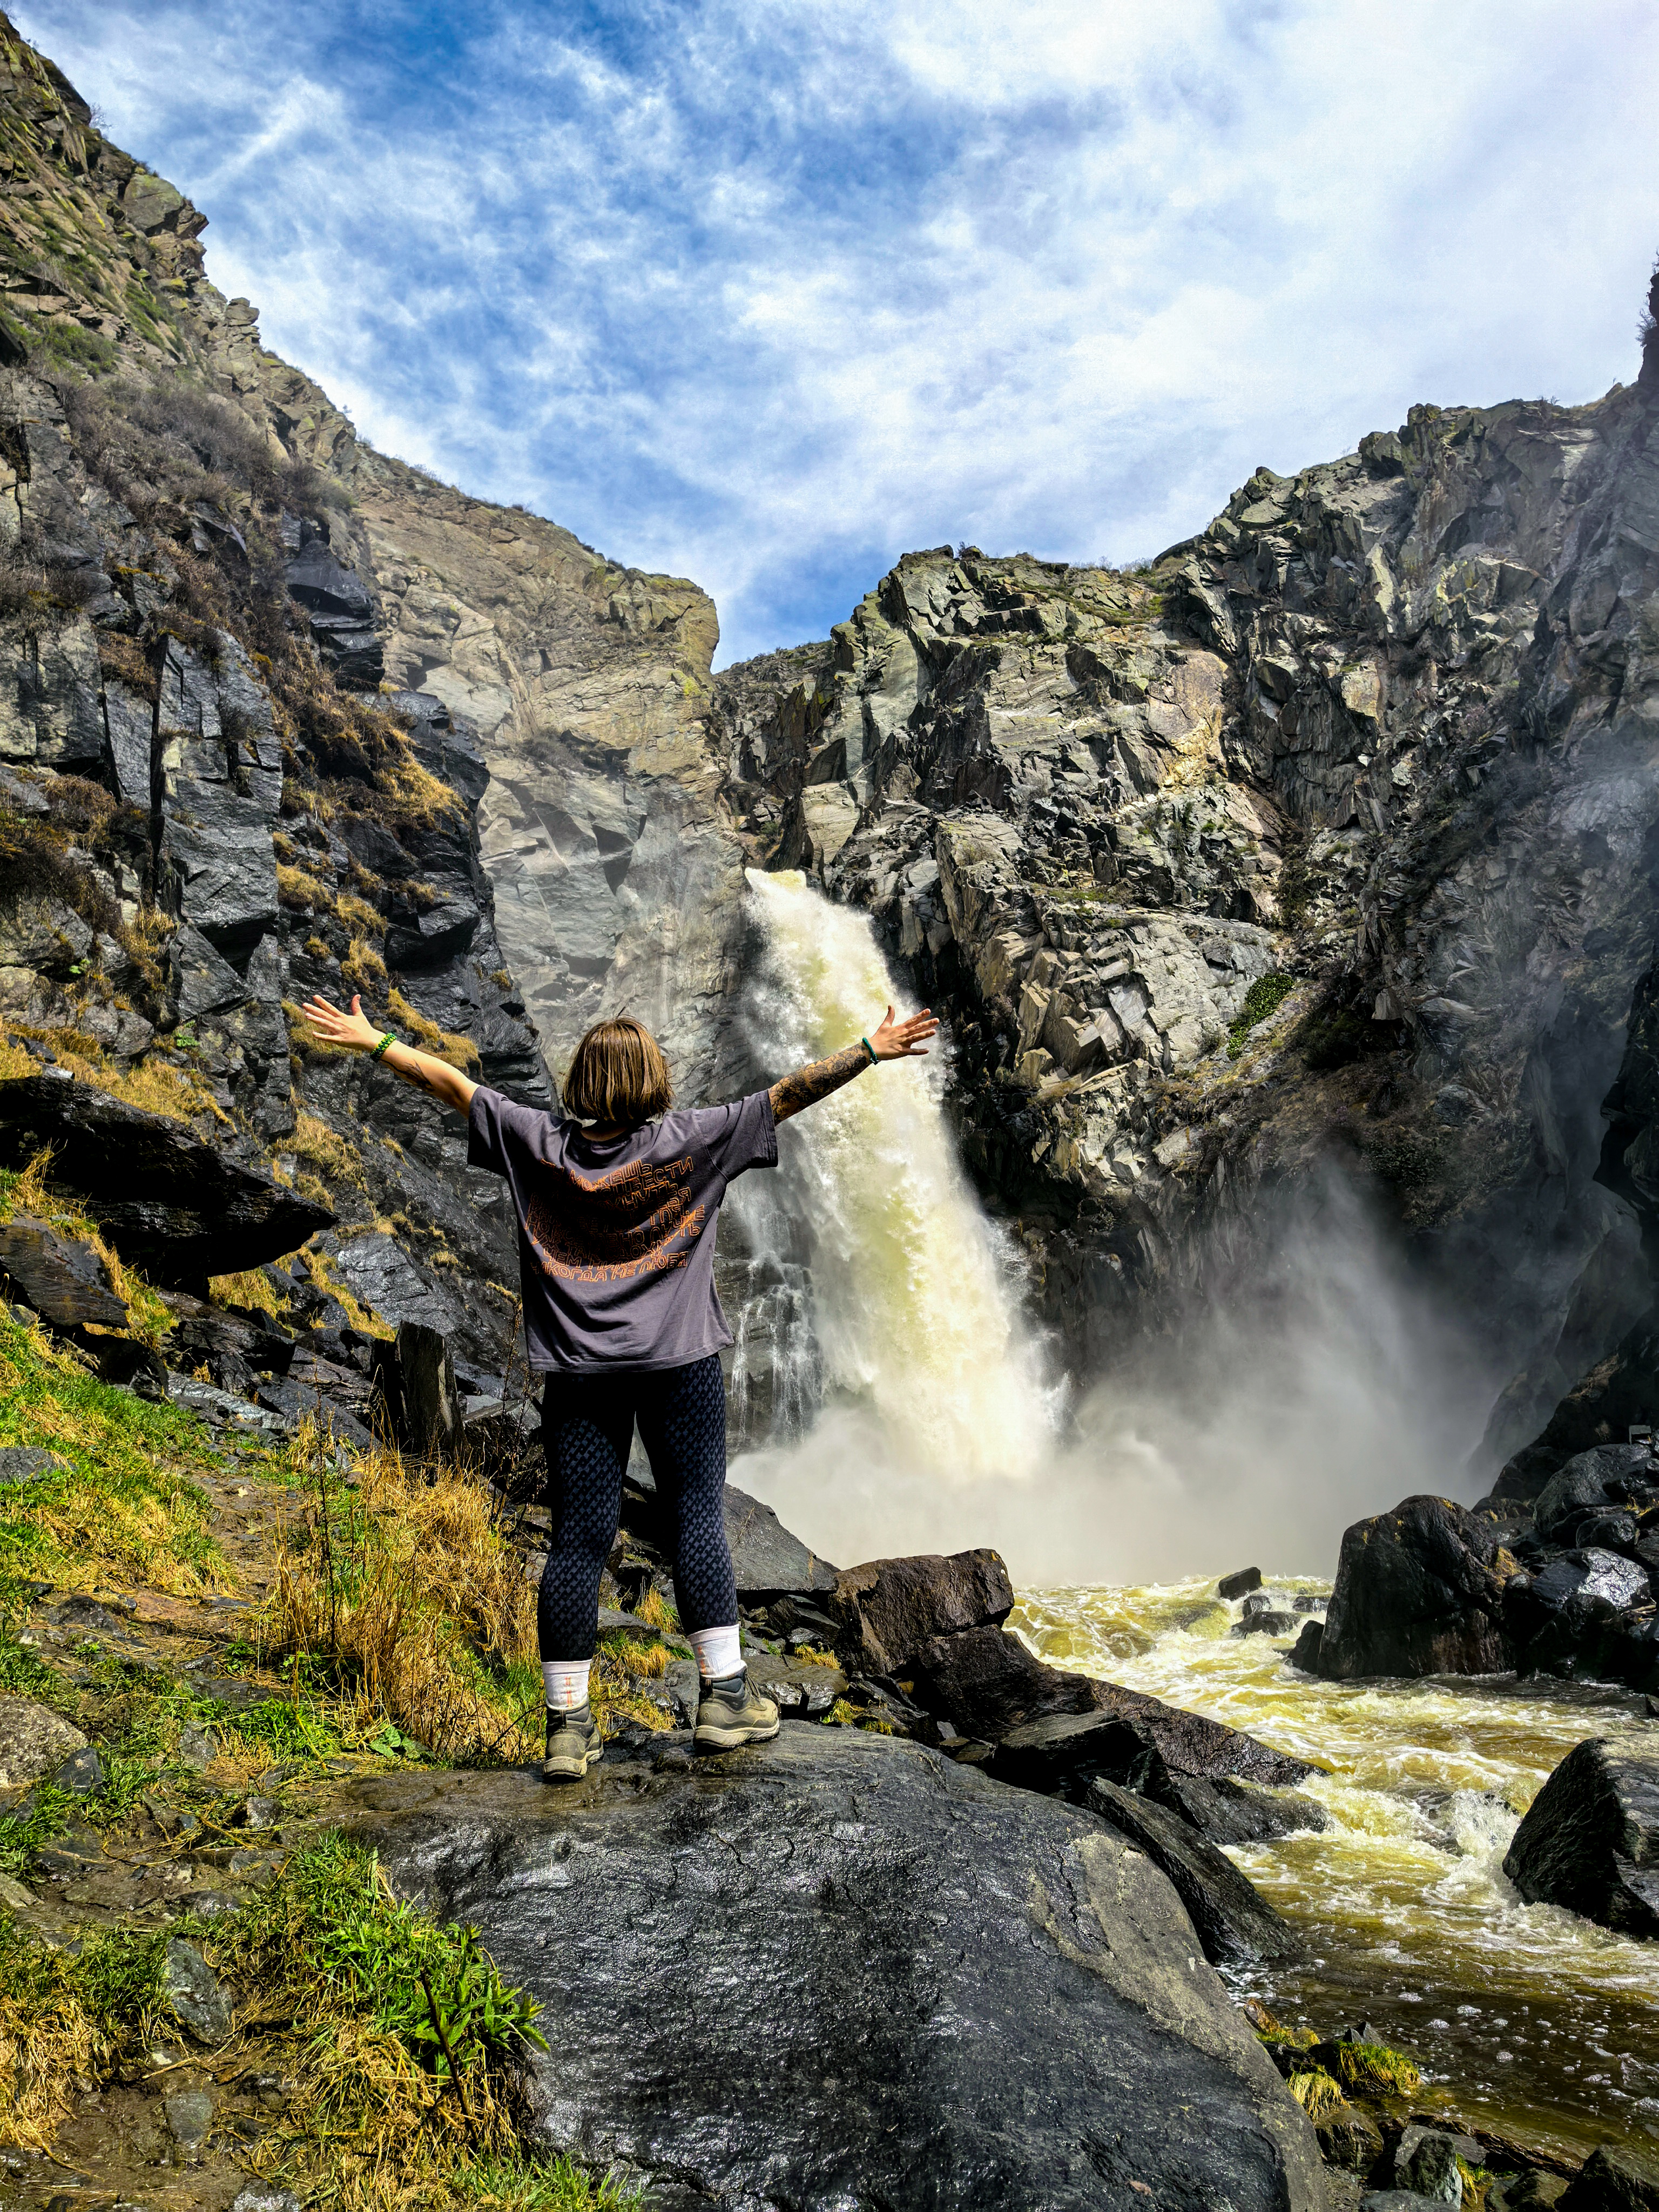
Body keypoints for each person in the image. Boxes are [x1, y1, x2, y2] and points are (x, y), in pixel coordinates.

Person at [299, 989, 939, 1781]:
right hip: (680, 1366)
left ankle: (567, 1728)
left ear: (581, 1083)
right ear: (654, 1080)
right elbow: (793, 1091)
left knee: (578, 1542)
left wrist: (374, 1041)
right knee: (696, 1518)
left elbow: (453, 1085)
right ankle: (724, 1699)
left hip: (578, 1375)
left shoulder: (537, 1141)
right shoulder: (695, 1140)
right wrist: (871, 1050)